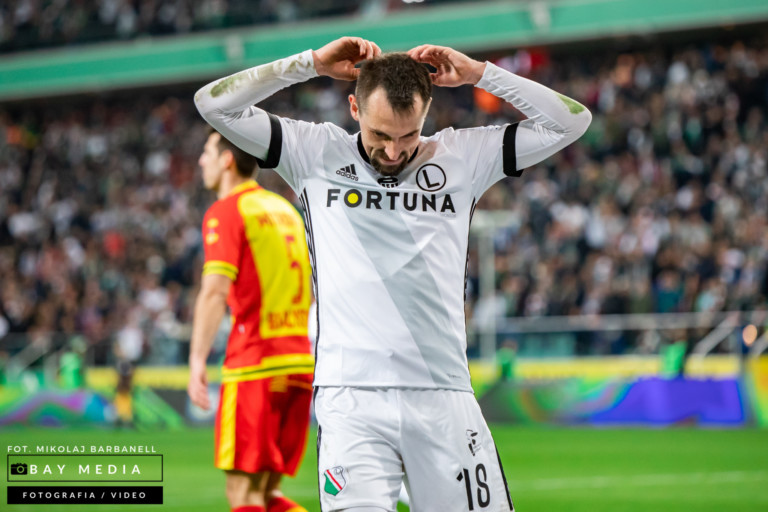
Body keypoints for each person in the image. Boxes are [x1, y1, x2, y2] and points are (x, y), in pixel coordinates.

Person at [195, 36, 591, 512]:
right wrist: (310, 63)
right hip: (351, 399)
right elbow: (213, 103)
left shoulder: (462, 156)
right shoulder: (314, 151)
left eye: (408, 135)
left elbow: (572, 121)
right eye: (380, 135)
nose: (393, 151)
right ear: (354, 108)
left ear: (426, 113)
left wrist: (481, 74)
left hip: (444, 395)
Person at [187, 129, 314, 512]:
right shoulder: (285, 209)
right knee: (268, 496)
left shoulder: (227, 211)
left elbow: (214, 292)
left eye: (207, 152)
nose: (201, 161)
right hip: (299, 365)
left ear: (227, 160)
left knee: (243, 496)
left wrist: (197, 360)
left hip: (256, 366)